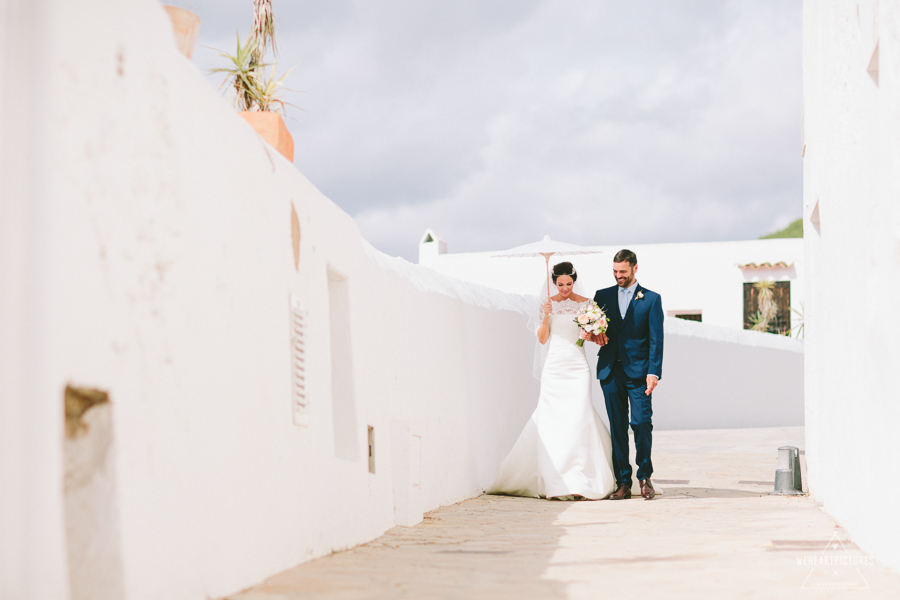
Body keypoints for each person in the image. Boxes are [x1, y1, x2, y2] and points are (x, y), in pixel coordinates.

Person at [487, 262, 616, 500]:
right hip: (555, 366)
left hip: (578, 366)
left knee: (579, 415)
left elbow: (598, 337)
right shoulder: (547, 304)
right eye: (560, 284)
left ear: (574, 281)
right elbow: (543, 339)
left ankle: (581, 476)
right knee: (554, 418)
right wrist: (546, 316)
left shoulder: (587, 303)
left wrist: (590, 333)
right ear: (553, 283)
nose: (565, 288)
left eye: (569, 284)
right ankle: (555, 477)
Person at [586, 249, 664, 500]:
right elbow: (591, 328)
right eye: (615, 271)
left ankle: (645, 477)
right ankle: (623, 482)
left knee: (641, 423)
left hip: (640, 373)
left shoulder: (651, 299)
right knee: (617, 427)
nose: (618, 276)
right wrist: (593, 334)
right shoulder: (602, 296)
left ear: (634, 269)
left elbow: (656, 339)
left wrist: (654, 372)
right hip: (610, 371)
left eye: (623, 271)